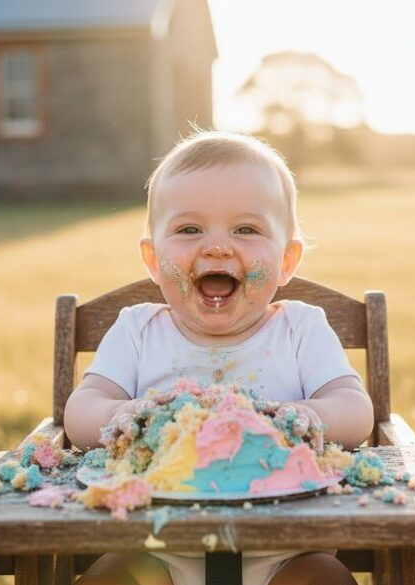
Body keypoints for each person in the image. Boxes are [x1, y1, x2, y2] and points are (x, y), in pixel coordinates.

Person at [64, 130, 374, 585]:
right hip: (154, 545)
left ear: (287, 261)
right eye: (189, 229)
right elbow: (82, 410)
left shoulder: (301, 329)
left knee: (323, 577)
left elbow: (355, 408)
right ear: (152, 259)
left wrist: (307, 415)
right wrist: (127, 414)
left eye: (246, 229)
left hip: (287, 547)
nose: (216, 246)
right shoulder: (137, 330)